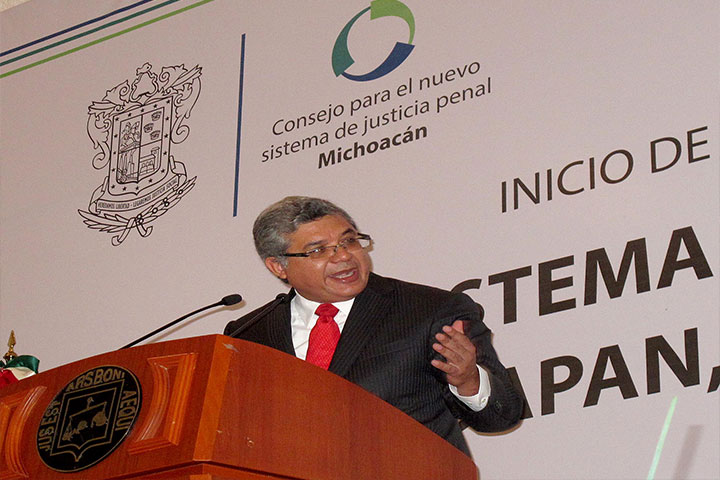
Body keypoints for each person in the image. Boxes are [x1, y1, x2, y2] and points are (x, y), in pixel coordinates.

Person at [224, 196, 522, 456]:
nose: (343, 256)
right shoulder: (248, 334)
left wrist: (469, 381)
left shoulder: (429, 310)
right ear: (278, 266)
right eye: (318, 250)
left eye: (349, 241)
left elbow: (502, 415)